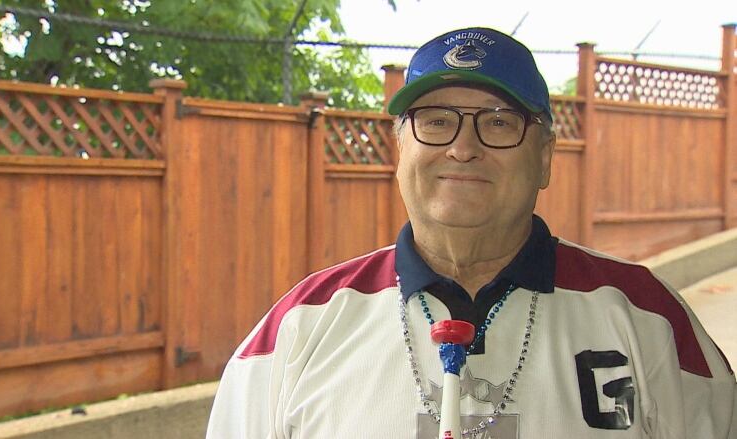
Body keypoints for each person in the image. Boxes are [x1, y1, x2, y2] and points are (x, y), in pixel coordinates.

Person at [206, 27, 736, 438]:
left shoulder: (648, 321)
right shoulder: (297, 331)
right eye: (435, 120)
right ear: (400, 151)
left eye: (499, 122)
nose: (462, 147)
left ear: (545, 158)